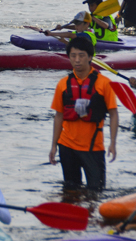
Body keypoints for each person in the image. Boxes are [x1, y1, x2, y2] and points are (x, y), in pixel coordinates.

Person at [49, 37, 118, 191]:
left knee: (96, 192)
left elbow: (114, 114)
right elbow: (59, 116)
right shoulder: (63, 84)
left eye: (81, 55)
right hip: (67, 146)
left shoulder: (104, 83)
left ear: (90, 57)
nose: (77, 60)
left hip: (93, 147)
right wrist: (53, 146)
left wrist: (113, 142)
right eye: (73, 56)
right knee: (70, 191)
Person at [54, 0, 118, 42]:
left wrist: (93, 18)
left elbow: (106, 25)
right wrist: (63, 27)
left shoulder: (106, 16)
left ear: (99, 5)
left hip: (109, 43)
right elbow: (80, 26)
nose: (90, 8)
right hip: (96, 42)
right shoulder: (90, 16)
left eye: (92, 5)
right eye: (89, 5)